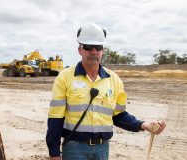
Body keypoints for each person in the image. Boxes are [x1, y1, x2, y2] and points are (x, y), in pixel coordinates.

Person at [46, 23, 166, 160]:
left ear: (102, 50)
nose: (93, 51)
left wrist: (143, 125)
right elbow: (55, 118)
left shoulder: (114, 80)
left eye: (98, 47)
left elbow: (119, 115)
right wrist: (54, 153)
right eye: (88, 47)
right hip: (74, 149)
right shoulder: (65, 77)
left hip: (102, 150)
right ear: (80, 49)